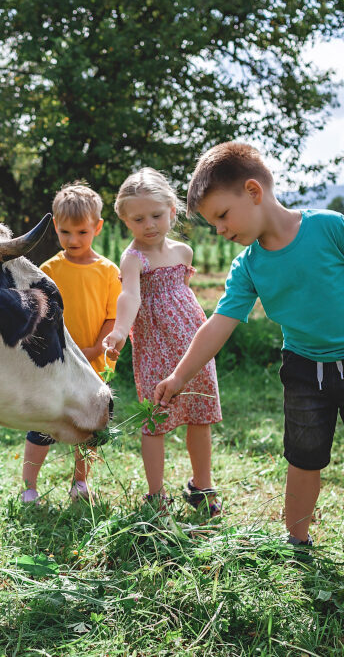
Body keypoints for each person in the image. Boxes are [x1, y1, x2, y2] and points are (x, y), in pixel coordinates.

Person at [154, 142, 344, 573]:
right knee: (303, 458)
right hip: (303, 370)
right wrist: (181, 375)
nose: (218, 230)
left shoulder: (328, 228)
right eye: (211, 223)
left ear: (254, 192)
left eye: (222, 215)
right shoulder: (248, 266)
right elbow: (218, 323)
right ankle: (296, 541)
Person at [102, 168, 223, 516]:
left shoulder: (183, 252)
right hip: (156, 346)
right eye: (138, 219)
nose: (149, 224)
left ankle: (203, 486)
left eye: (156, 215)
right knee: (155, 419)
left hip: (192, 343)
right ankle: (156, 496)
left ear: (172, 209)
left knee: (200, 416)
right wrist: (121, 330)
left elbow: (183, 295)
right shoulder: (133, 258)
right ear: (126, 221)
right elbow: (130, 297)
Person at [21, 181, 122, 504]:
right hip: (55, 365)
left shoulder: (108, 272)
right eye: (65, 233)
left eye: (81, 232)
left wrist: (95, 349)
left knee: (89, 427)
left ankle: (80, 482)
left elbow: (112, 316)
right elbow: (41, 317)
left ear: (97, 227)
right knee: (43, 425)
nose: (73, 240)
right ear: (55, 227)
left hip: (94, 364)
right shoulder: (49, 270)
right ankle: (29, 486)